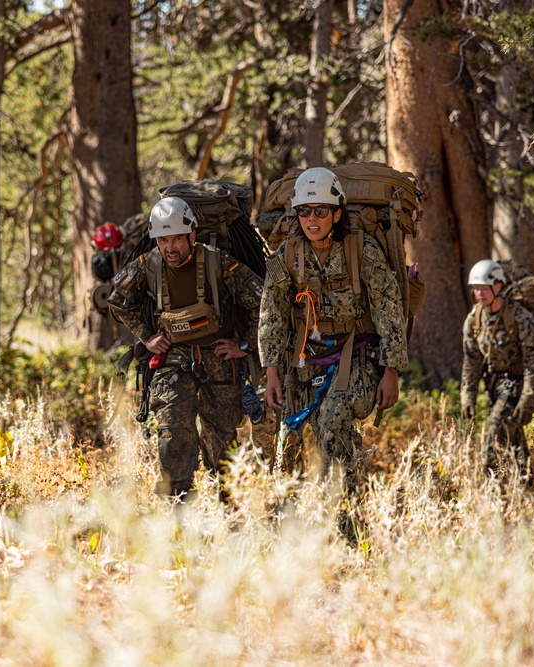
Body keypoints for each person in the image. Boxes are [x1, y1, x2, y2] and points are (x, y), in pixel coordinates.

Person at [258, 167, 407, 491]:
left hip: (357, 357)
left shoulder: (360, 249)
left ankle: (346, 514)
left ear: (336, 213)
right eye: (304, 211)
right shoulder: (288, 254)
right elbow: (272, 311)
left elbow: (388, 306)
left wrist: (391, 371)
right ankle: (293, 524)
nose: (312, 219)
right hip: (306, 358)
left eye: (321, 211)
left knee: (330, 421)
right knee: (289, 442)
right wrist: (271, 372)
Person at [107, 196, 264, 500]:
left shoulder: (219, 262)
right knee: (172, 431)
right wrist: (147, 336)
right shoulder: (148, 264)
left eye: (177, 238)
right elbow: (117, 300)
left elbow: (263, 302)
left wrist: (243, 344)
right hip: (173, 357)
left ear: (192, 235)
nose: (170, 248)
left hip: (219, 356)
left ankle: (229, 508)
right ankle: (179, 510)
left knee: (221, 438)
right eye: (163, 240)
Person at [460, 259, 534, 479]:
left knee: (494, 428)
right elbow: (471, 361)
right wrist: (467, 396)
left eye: (484, 287)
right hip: (493, 386)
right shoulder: (474, 319)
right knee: (513, 436)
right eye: (475, 288)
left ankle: (490, 483)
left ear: (498, 286)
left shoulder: (519, 317)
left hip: (516, 384)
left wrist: (529, 398)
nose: (479, 293)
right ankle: (524, 484)